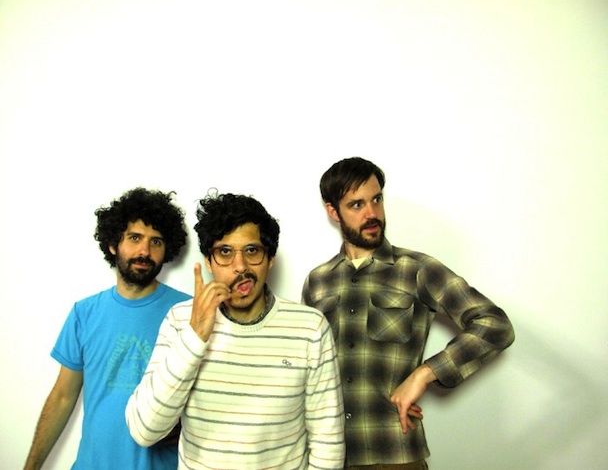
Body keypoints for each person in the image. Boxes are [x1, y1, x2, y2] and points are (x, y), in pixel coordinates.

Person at [301, 157, 515, 469]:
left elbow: (494, 325)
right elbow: (309, 369)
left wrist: (424, 374)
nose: (372, 213)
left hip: (395, 453)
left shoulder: (416, 269)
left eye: (376, 199)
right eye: (357, 205)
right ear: (333, 212)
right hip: (329, 456)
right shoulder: (318, 281)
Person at [126, 192, 345, 469]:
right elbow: (144, 430)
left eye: (252, 251)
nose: (240, 266)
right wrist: (195, 337)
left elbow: (328, 444)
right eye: (225, 252)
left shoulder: (309, 328)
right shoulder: (181, 321)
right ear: (209, 261)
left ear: (270, 259)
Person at [24, 187, 191, 470]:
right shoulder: (85, 313)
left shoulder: (188, 312)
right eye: (135, 238)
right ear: (113, 244)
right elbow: (62, 397)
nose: (145, 251)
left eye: (156, 242)